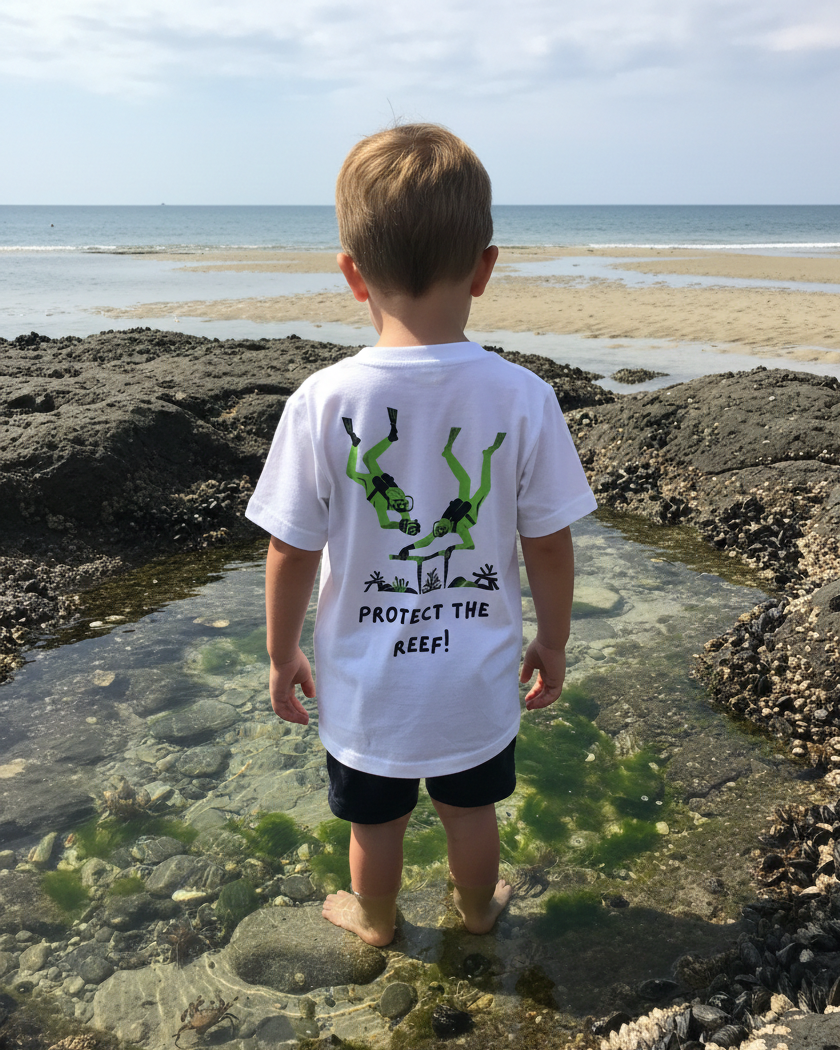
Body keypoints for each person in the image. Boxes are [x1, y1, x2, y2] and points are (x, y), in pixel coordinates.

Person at [245, 123, 597, 947]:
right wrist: (554, 640)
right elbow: (547, 542)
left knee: (375, 828)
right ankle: (477, 913)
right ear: (485, 266)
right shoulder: (523, 396)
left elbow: (291, 548)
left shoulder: (322, 402)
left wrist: (279, 653)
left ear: (350, 274)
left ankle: (373, 925)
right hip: (475, 683)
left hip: (367, 688)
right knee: (472, 813)